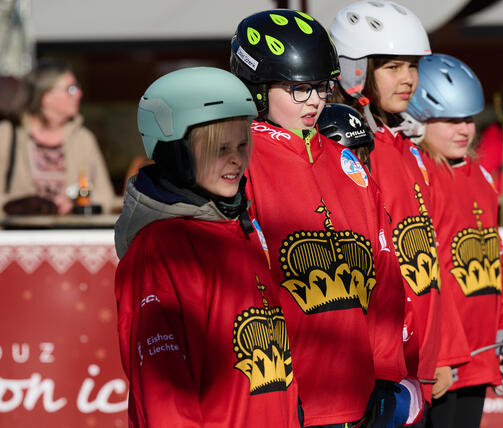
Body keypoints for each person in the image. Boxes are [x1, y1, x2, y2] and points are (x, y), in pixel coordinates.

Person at [230, 10, 411, 428]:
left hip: (357, 398)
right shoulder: (240, 166)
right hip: (282, 400)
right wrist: (271, 386)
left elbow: (384, 277)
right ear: (257, 90)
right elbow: (239, 295)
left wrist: (385, 372)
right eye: (297, 89)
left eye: (321, 87)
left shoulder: (347, 164)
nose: (314, 100)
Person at [114, 67, 301, 427]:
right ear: (176, 153)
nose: (236, 159)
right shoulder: (162, 249)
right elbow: (164, 390)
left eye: (242, 145)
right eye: (220, 148)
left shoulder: (240, 228)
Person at [330, 2, 471, 423]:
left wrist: (441, 351)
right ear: (355, 69)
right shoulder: (348, 151)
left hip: (419, 360)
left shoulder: (407, 146)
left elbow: (429, 259)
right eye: (393, 66)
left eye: (411, 65)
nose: (408, 78)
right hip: (377, 367)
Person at [404, 54, 503, 428]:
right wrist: (440, 353)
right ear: (418, 119)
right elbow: (422, 276)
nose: (464, 129)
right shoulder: (419, 176)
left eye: (469, 119)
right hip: (438, 362)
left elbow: (497, 258)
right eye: (450, 120)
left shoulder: (480, 177)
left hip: (480, 356)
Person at [0, 58, 116, 217]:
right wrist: (25, 207)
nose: (79, 94)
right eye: (71, 89)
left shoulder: (83, 138)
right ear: (45, 96)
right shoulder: (7, 134)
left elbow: (105, 197)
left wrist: (75, 204)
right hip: (18, 237)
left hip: (69, 236)